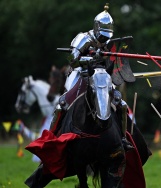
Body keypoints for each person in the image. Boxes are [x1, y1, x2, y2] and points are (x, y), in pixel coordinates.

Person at [50, 3, 133, 151]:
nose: (103, 39)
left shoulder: (108, 42)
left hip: (102, 76)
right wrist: (91, 59)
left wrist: (110, 59)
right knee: (62, 104)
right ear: (96, 28)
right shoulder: (83, 38)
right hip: (80, 73)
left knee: (121, 104)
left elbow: (111, 63)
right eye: (101, 35)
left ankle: (122, 139)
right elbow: (72, 60)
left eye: (106, 36)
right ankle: (52, 137)